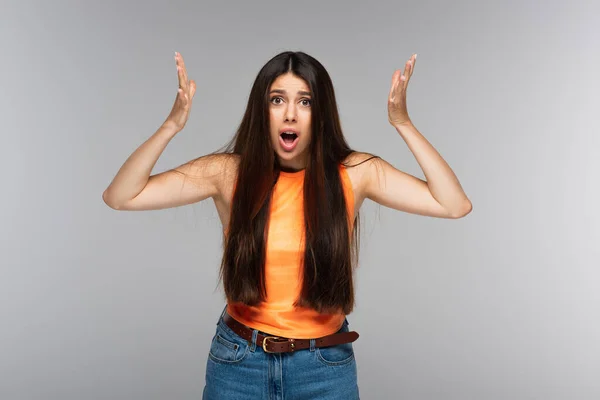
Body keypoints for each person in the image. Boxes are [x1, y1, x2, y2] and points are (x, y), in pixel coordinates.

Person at [102, 50, 472, 399]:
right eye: (277, 100)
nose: (290, 114)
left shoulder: (356, 173)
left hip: (324, 366)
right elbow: (121, 196)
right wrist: (171, 126)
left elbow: (453, 204)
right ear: (261, 110)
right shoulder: (227, 173)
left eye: (305, 101)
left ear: (321, 113)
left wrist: (402, 123)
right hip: (238, 363)